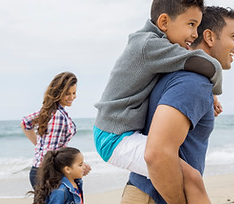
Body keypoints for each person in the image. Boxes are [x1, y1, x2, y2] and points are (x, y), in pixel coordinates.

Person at [122, 6, 234, 204]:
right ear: (210, 37)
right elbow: (157, 153)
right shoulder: (193, 83)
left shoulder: (180, 76)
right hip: (155, 197)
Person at [94, 0, 222, 178]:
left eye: (198, 26)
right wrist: (214, 89)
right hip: (113, 138)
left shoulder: (153, 44)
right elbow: (206, 64)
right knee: (185, 176)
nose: (195, 34)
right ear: (164, 22)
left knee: (187, 172)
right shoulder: (149, 45)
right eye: (191, 25)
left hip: (117, 132)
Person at [21, 72, 90, 188]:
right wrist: (76, 166)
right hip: (48, 173)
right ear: (58, 93)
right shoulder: (57, 115)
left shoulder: (50, 111)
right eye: (67, 94)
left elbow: (25, 123)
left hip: (40, 171)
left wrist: (39, 146)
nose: (72, 97)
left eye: (74, 93)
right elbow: (53, 152)